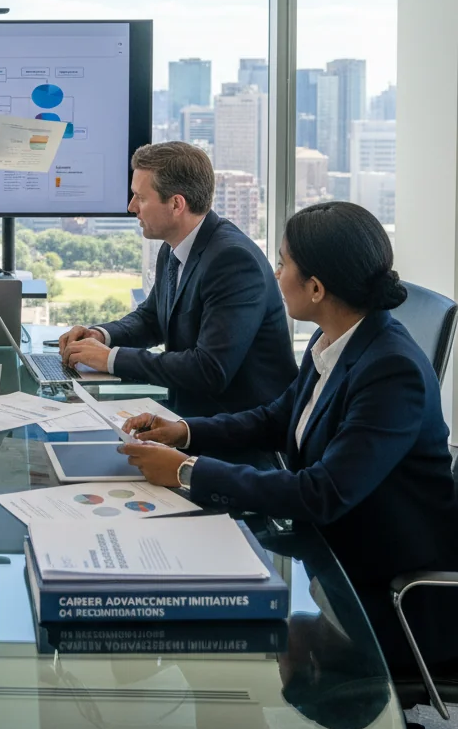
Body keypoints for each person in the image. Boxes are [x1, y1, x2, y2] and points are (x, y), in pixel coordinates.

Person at [122, 201, 458, 671]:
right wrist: (185, 433)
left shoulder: (391, 372)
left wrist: (187, 471)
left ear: (316, 288)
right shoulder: (333, 340)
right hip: (328, 558)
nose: (275, 274)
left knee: (222, 643)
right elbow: (275, 418)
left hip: (384, 597)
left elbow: (321, 493)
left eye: (282, 264)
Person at [60, 142, 296, 413]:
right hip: (193, 415)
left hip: (241, 426)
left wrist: (111, 359)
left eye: (140, 198)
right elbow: (152, 319)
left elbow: (210, 369)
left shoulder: (232, 261)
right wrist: (101, 336)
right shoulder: (174, 246)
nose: (131, 207)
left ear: (176, 204)